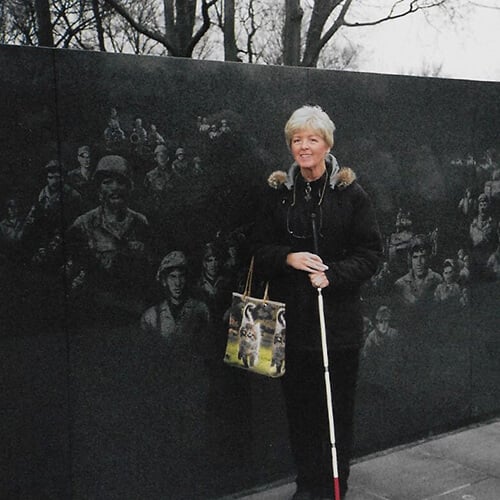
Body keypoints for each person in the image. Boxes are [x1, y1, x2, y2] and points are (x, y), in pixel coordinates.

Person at [252, 105, 382, 500]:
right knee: (301, 412)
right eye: (296, 140)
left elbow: (371, 253)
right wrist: (288, 258)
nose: (304, 147)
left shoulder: (350, 194)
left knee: (336, 412)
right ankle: (306, 486)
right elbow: (257, 248)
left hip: (337, 327)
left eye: (312, 139)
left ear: (327, 144)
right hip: (292, 325)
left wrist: (334, 275)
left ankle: (334, 487)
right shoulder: (278, 194)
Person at [394, 234, 442, 307]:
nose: (419, 262)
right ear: (410, 259)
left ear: (428, 257)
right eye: (415, 257)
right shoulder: (400, 284)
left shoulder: (437, 280)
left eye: (423, 257)